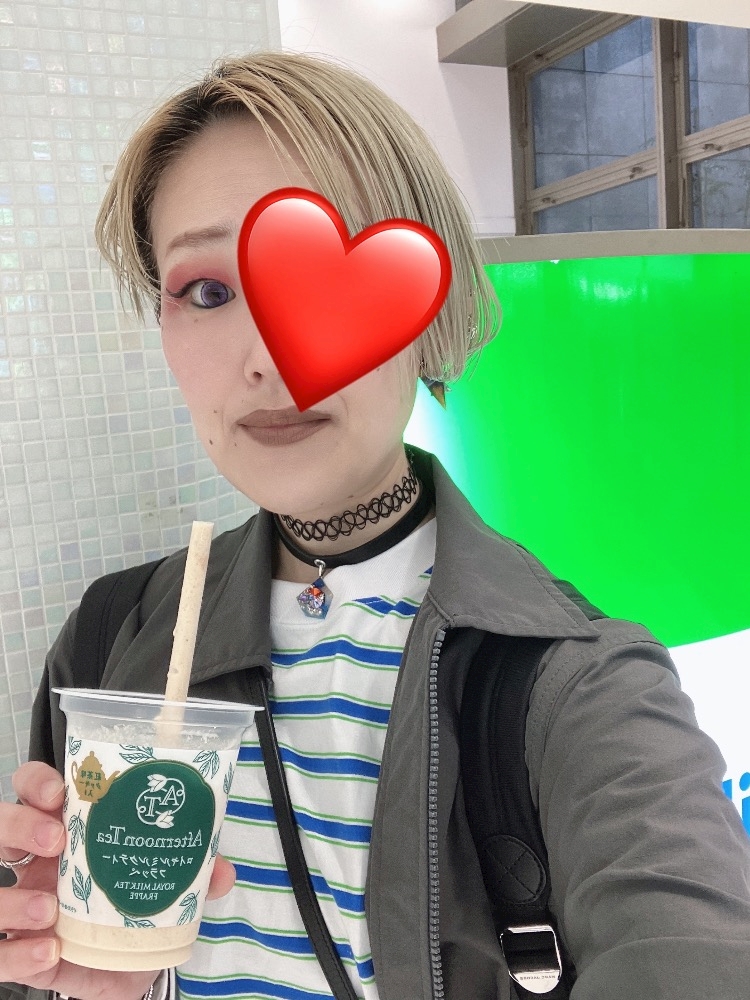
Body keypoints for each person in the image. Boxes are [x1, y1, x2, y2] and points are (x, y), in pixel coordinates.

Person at [1, 50, 749, 1000]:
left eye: (322, 281)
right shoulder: (115, 638)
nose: (274, 358)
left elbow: (688, 944)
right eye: (208, 292)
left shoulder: (574, 687)